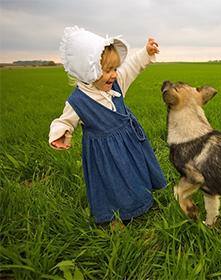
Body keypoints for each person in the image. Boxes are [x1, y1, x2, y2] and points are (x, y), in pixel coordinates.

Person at [49, 26, 167, 225]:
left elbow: (132, 66)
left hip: (130, 143)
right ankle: (114, 217)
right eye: (107, 70)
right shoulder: (78, 100)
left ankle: (142, 201)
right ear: (89, 70)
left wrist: (146, 53)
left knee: (135, 172)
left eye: (114, 69)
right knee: (111, 183)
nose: (113, 74)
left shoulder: (117, 82)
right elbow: (65, 120)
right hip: (104, 154)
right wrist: (61, 133)